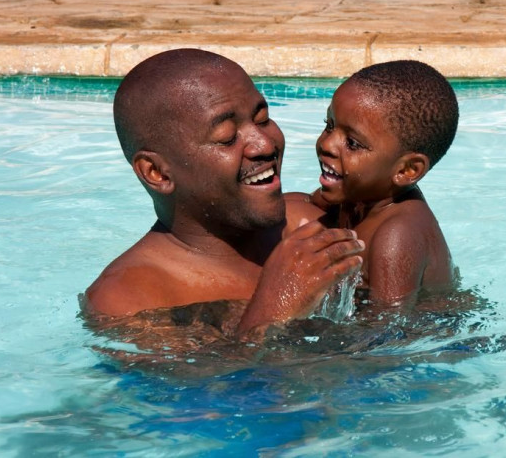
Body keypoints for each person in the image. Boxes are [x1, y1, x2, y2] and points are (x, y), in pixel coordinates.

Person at [83, 48, 364, 339]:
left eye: (263, 119)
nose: (264, 144)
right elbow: (207, 385)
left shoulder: (308, 224)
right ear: (157, 172)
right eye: (227, 138)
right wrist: (273, 308)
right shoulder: (126, 300)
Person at [285, 60, 460, 310]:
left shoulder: (396, 236)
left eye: (353, 144)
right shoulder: (359, 193)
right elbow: (299, 205)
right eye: (329, 125)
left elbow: (386, 334)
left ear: (406, 170)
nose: (327, 144)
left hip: (435, 335)